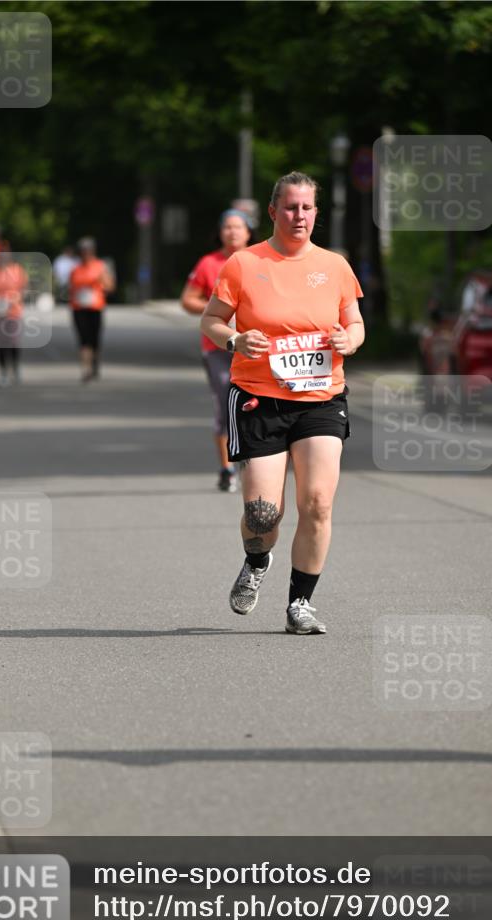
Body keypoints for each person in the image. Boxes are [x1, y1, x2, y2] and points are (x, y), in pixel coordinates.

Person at [201, 171, 365, 634]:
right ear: (273, 212)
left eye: (307, 208)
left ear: (316, 213)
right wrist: (234, 339)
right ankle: (257, 559)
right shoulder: (243, 263)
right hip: (259, 398)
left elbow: (355, 324)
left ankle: (300, 605)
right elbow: (211, 320)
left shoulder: (335, 266)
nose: (299, 216)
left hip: (320, 398)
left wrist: (348, 341)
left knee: (317, 502)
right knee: (262, 514)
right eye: (290, 207)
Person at [181, 209, 252, 492]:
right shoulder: (209, 263)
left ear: (248, 232)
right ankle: (227, 469)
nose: (232, 232)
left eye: (238, 227)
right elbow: (187, 300)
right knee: (225, 403)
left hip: (256, 347)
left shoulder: (262, 260)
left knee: (259, 405)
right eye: (227, 227)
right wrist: (216, 309)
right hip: (218, 347)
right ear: (220, 232)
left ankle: (256, 462)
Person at [69, 237, 115, 381]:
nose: (85, 254)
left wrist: (100, 283)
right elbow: (71, 288)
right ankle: (86, 369)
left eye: (88, 250)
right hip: (79, 308)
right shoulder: (75, 269)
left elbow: (110, 286)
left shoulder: (100, 266)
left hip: (95, 307)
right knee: (83, 339)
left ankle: (94, 364)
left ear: (93, 251)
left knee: (95, 339)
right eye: (83, 251)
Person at [0, 242, 28, 386]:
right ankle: (3, 372)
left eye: (5, 255)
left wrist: (15, 298)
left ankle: (15, 368)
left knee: (13, 341)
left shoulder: (17, 270)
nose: (3, 258)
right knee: (1, 343)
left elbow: (24, 289)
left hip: (14, 311)